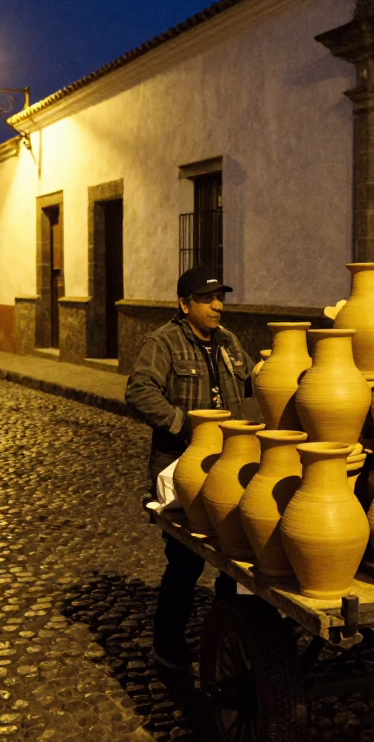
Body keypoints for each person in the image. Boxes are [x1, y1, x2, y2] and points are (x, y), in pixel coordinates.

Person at [125, 265, 252, 671]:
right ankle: (168, 643)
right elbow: (139, 391)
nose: (217, 306)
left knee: (234, 557)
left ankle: (225, 638)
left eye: (220, 298)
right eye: (206, 299)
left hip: (229, 467)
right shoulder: (163, 343)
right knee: (185, 561)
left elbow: (254, 384)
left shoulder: (229, 343)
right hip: (182, 468)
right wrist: (183, 423)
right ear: (184, 304)